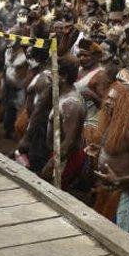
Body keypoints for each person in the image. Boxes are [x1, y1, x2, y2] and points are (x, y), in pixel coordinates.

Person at [90, 81, 129, 236]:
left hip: (124, 196)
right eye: (108, 98)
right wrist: (100, 151)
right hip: (105, 191)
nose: (108, 103)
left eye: (113, 100)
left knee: (117, 238)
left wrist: (119, 180)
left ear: (126, 104)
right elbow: (115, 151)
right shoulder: (113, 121)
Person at [41, 57, 86, 192]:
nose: (49, 74)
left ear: (64, 76)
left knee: (54, 193)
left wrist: (51, 165)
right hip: (59, 154)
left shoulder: (71, 104)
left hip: (66, 157)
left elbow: (69, 142)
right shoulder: (62, 94)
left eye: (53, 72)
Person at [16, 48, 52, 172]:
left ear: (40, 59)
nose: (29, 60)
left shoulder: (45, 78)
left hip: (40, 124)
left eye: (32, 57)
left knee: (36, 158)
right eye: (28, 57)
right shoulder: (36, 73)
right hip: (34, 122)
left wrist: (28, 135)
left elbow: (40, 108)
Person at [75, 39, 110, 145]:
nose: (81, 58)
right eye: (80, 55)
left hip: (90, 125)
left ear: (95, 57)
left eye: (86, 55)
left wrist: (93, 96)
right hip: (75, 120)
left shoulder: (100, 75)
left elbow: (107, 106)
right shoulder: (78, 70)